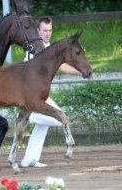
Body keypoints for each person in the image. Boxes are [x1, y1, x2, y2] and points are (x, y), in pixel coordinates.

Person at [20, 17, 82, 168]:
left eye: (50, 30)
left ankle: (29, 159)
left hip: (40, 95)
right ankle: (31, 116)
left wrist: (82, 72)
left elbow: (63, 66)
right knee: (58, 118)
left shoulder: (49, 47)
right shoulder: (35, 48)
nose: (48, 33)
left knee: (43, 126)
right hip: (31, 95)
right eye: (45, 30)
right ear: (38, 31)